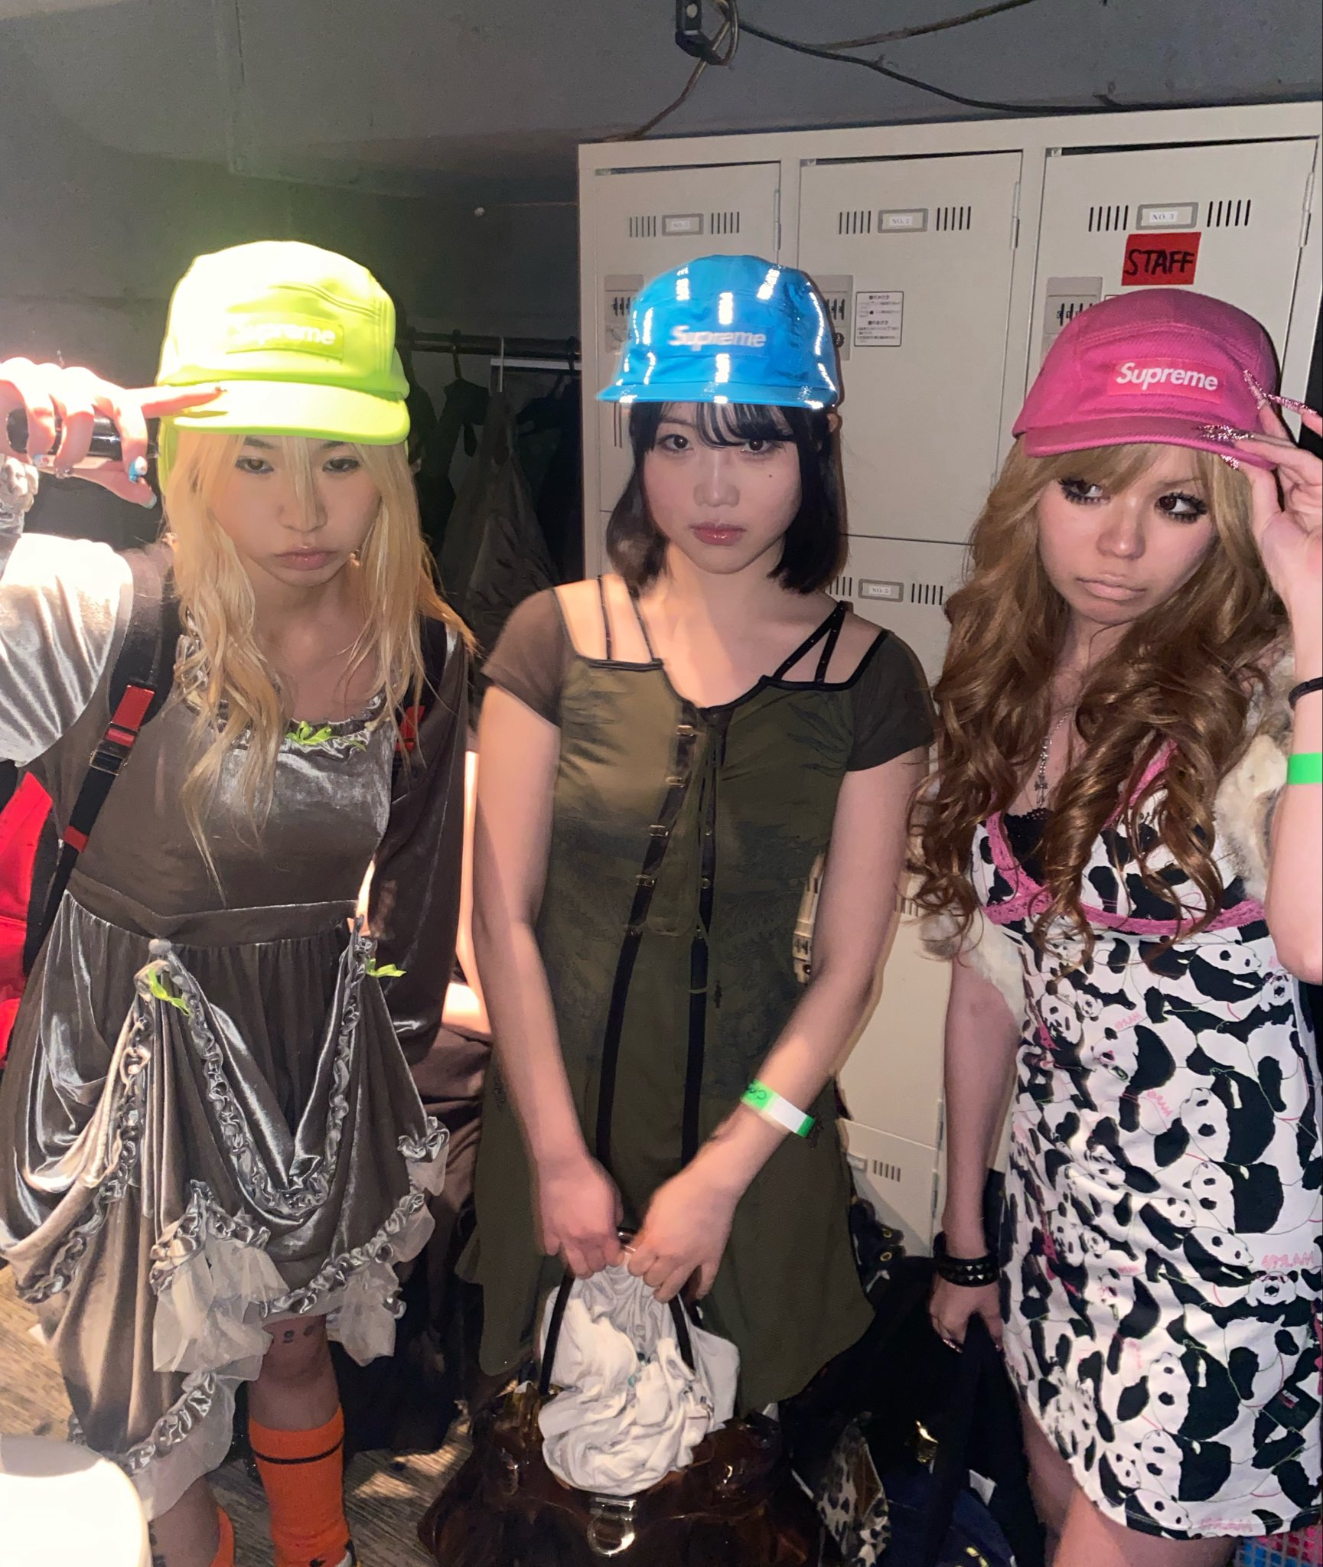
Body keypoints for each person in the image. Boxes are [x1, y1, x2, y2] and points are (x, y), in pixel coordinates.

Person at [0, 240, 470, 1567]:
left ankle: (317, 1548)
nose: (304, 507)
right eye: (255, 458)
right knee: (143, 1386)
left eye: (340, 458)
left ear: (388, 467)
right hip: (123, 1049)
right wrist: (13, 451)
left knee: (296, 1338)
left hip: (307, 1050)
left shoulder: (423, 648)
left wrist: (401, 1094)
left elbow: (419, 882)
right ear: (190, 459)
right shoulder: (101, 609)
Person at [462, 254, 932, 1413]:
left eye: (755, 444)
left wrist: (722, 1175)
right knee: (550, 1430)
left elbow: (848, 968)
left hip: (755, 1125)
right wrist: (557, 1155)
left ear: (815, 449)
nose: (713, 486)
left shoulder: (873, 676)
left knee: (727, 1446)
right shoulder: (549, 637)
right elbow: (501, 917)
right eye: (676, 440)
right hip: (557, 1114)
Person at [919, 289, 1321, 1565]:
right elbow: (990, 979)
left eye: (1180, 503)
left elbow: (1315, 940)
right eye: (1087, 487)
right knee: (1049, 1506)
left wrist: (1322, 617)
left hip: (1216, 1262)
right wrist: (967, 1232)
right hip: (1060, 1211)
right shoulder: (1008, 683)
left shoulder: (1263, 700)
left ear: (1237, 519)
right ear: (1030, 492)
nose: (1122, 541)